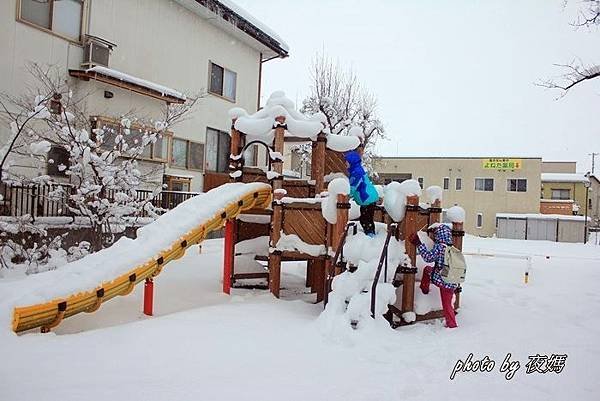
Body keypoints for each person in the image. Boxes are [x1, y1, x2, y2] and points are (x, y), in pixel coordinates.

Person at [408, 224, 458, 328]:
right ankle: (452, 323)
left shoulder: (440, 247)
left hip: (442, 280)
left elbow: (428, 258)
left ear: (439, 236)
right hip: (452, 279)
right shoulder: (452, 248)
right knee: (448, 305)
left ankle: (424, 289)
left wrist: (419, 244)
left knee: (427, 270)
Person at [344, 150, 379, 237]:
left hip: (367, 198)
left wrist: (346, 194)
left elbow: (353, 187)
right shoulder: (357, 170)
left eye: (347, 161)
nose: (345, 163)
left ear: (351, 162)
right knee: (367, 218)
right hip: (368, 198)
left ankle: (370, 236)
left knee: (365, 219)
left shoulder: (356, 172)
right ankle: (370, 234)